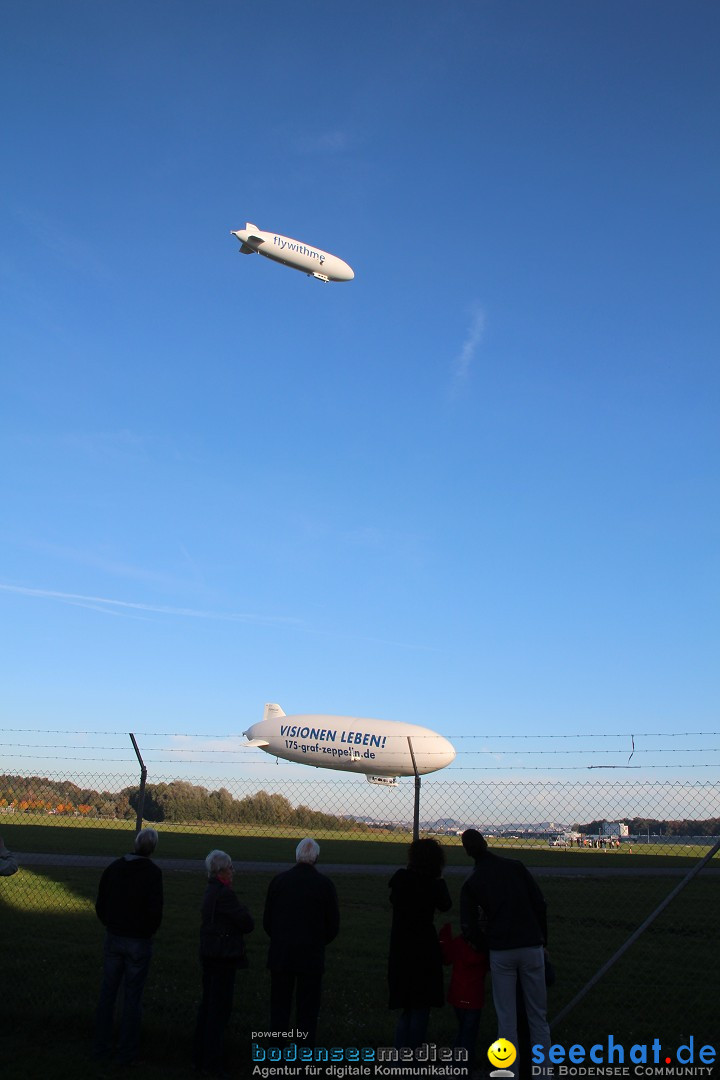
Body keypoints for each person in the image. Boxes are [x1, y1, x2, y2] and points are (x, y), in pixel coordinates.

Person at [460, 829, 551, 1074]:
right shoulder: (515, 867)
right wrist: (543, 942)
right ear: (486, 843)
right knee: (538, 1018)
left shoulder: (473, 881)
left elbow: (468, 927)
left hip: (501, 950)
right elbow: (539, 904)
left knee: (506, 1021)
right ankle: (543, 1072)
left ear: (468, 851)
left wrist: (485, 946)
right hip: (531, 945)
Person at [93, 827, 163, 1066]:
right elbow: (156, 912)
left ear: (135, 844)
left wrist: (110, 923)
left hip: (114, 935)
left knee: (107, 993)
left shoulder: (114, 867)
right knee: (132, 998)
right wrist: (146, 932)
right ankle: (127, 1051)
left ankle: (100, 1047)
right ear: (152, 849)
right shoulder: (153, 873)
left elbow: (101, 902)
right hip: (139, 941)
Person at [263, 837, 339, 1049]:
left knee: (279, 1009)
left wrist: (280, 938)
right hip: (311, 957)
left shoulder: (278, 881)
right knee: (307, 1012)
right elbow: (333, 926)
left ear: (296, 856)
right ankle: (303, 1060)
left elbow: (267, 921)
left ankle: (275, 1056)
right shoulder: (325, 885)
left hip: (281, 954)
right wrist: (317, 942)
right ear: (316, 858)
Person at [193, 849, 254, 1078]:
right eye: (230, 868)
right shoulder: (225, 895)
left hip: (209, 954)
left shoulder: (211, 889)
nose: (233, 871)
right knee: (219, 1011)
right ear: (221, 872)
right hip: (222, 958)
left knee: (207, 1007)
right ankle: (212, 1063)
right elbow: (247, 923)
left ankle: (199, 1058)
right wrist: (244, 912)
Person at [388, 837, 451, 1051]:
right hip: (424, 949)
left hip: (400, 948)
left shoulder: (400, 880)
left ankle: (400, 1060)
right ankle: (412, 1061)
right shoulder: (433, 885)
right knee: (421, 1009)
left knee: (407, 1008)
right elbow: (446, 904)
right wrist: (439, 878)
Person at [439, 921, 488, 1071]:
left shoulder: (459, 943)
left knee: (462, 1031)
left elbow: (446, 958)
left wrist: (445, 933)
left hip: (458, 994)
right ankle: (464, 1068)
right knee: (468, 1034)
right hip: (474, 997)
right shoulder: (484, 949)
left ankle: (456, 1064)